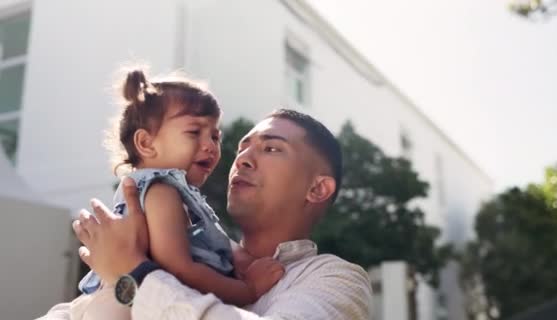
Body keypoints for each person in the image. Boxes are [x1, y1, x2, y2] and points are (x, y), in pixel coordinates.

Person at [42, 109, 372, 319]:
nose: (241, 159)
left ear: (317, 189)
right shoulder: (190, 252)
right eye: (242, 147)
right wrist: (123, 278)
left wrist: (134, 273)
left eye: (271, 148)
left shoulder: (334, 280)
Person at [64, 68, 284, 320]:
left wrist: (242, 258)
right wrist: (248, 289)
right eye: (194, 132)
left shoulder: (169, 192)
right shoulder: (161, 191)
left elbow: (205, 239)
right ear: (146, 144)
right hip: (123, 308)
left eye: (215, 136)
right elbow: (179, 269)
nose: (210, 146)